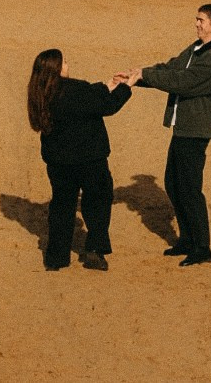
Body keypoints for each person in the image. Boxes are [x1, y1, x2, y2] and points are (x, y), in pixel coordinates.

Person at [126, 3, 211, 267]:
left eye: (202, 20)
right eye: (197, 19)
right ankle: (186, 239)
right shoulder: (196, 49)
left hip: (196, 129)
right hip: (183, 126)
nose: (197, 24)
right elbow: (172, 68)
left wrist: (146, 76)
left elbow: (182, 82)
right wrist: (139, 76)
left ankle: (202, 247)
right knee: (173, 183)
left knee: (190, 189)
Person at [27, 48, 131, 272]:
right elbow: (106, 106)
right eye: (64, 62)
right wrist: (125, 87)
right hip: (89, 160)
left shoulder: (41, 93)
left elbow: (88, 95)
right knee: (98, 202)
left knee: (62, 205)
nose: (68, 65)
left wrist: (108, 85)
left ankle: (56, 257)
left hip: (58, 163)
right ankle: (94, 249)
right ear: (57, 68)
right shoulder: (76, 90)